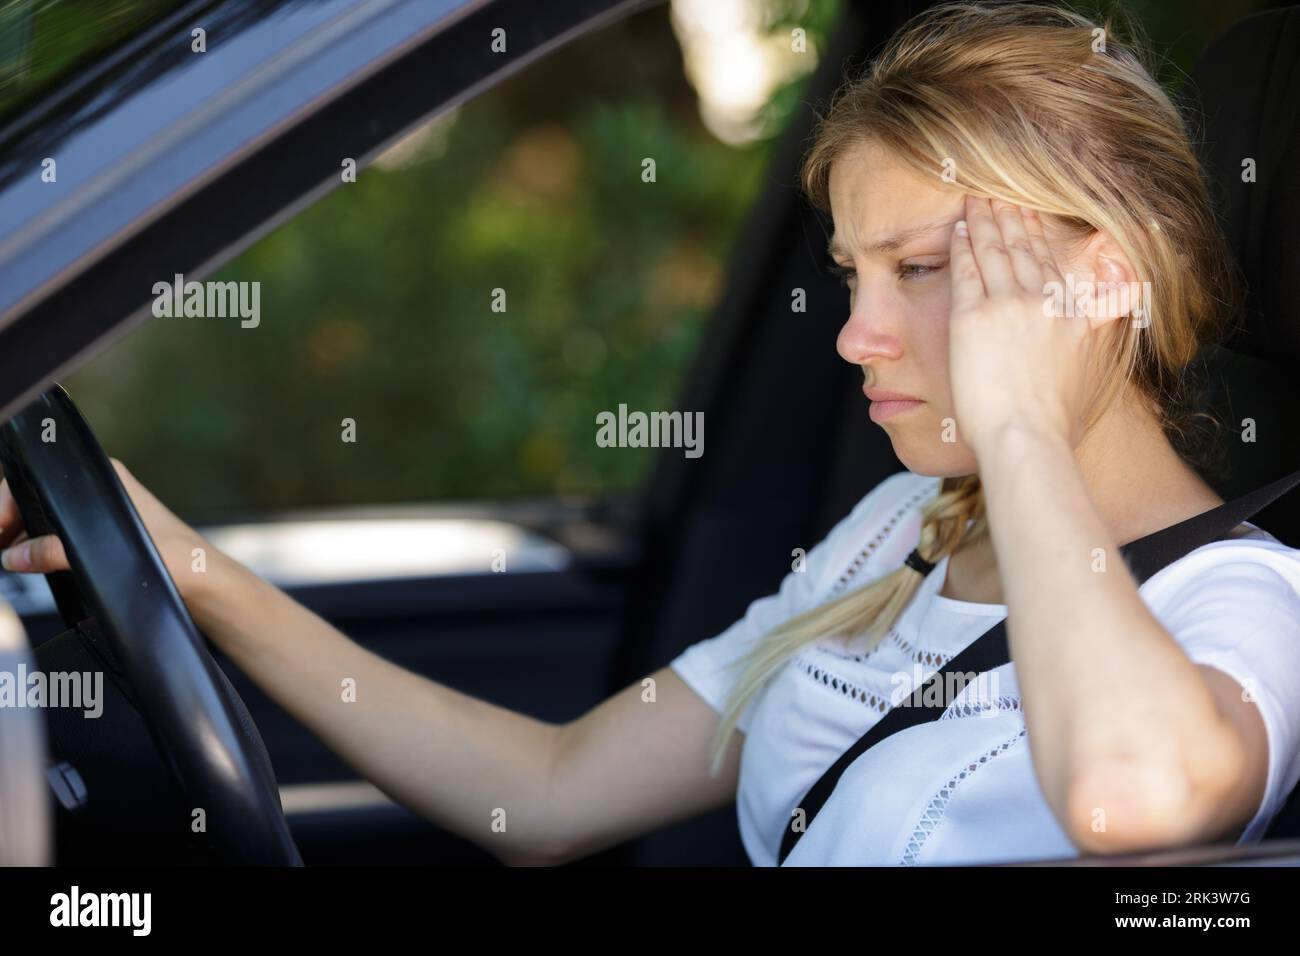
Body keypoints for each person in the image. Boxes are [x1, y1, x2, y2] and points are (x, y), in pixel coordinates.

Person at [4, 1, 1300, 866]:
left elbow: (1127, 798)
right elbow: (554, 793)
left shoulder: (1250, 607)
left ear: (1106, 278)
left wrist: (1020, 426)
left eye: (920, 269)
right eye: (853, 274)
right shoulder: (905, 532)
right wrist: (184, 569)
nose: (858, 334)